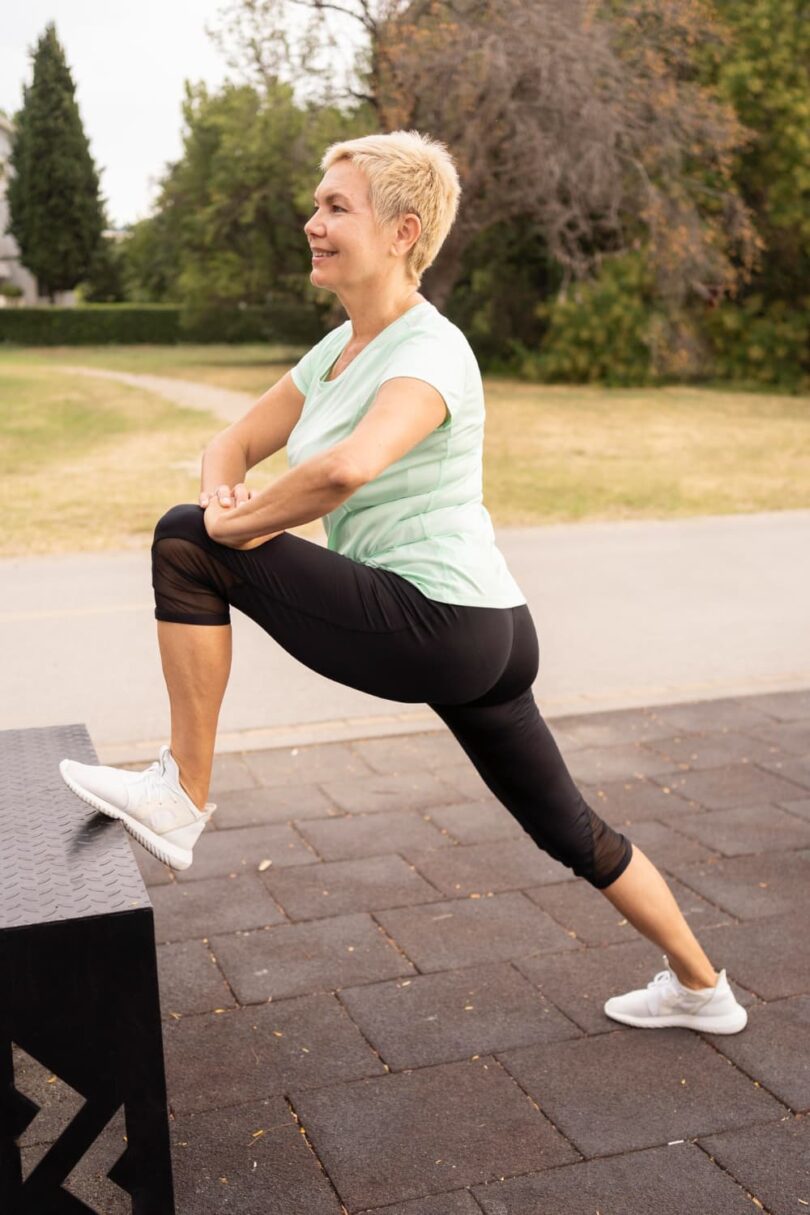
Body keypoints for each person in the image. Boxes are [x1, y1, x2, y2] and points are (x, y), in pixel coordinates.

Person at [59, 130, 747, 1035]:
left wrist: (229, 522)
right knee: (565, 824)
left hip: (441, 621)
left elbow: (348, 468)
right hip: (489, 626)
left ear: (401, 230)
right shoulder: (338, 351)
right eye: (317, 203)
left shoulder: (433, 350)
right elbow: (228, 442)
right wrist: (222, 493)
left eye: (336, 207)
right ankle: (705, 987)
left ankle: (181, 793)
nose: (312, 222)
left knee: (185, 543)